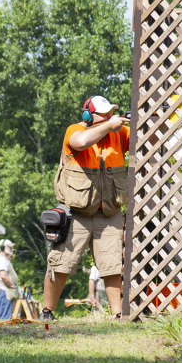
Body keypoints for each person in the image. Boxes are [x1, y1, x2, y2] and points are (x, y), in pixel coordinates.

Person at [40, 95, 130, 321]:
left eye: (111, 113)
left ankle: (118, 315)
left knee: (112, 265)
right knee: (60, 263)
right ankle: (47, 311)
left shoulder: (118, 135)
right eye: (104, 114)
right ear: (88, 115)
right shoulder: (75, 130)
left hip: (108, 211)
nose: (110, 117)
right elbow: (81, 142)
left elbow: (147, 137)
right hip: (76, 213)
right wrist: (110, 125)